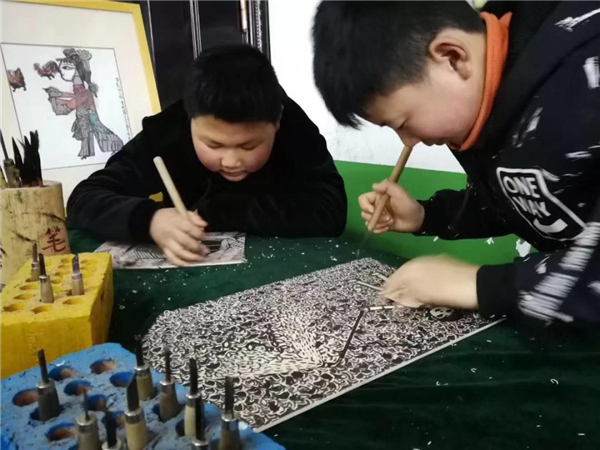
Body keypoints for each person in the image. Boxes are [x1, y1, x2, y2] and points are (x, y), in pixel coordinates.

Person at [312, 1, 600, 326]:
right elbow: (523, 203)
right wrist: (427, 216)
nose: (408, 140)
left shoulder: (587, 69)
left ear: (452, 57)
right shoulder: (489, 102)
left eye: (402, 122)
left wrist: (475, 284)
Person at [67, 45, 347, 266]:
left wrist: (220, 210)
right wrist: (149, 219)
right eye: (213, 145)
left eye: (249, 146)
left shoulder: (293, 125)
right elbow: (84, 197)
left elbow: (331, 210)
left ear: (276, 123)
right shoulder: (168, 131)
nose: (231, 161)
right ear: (189, 121)